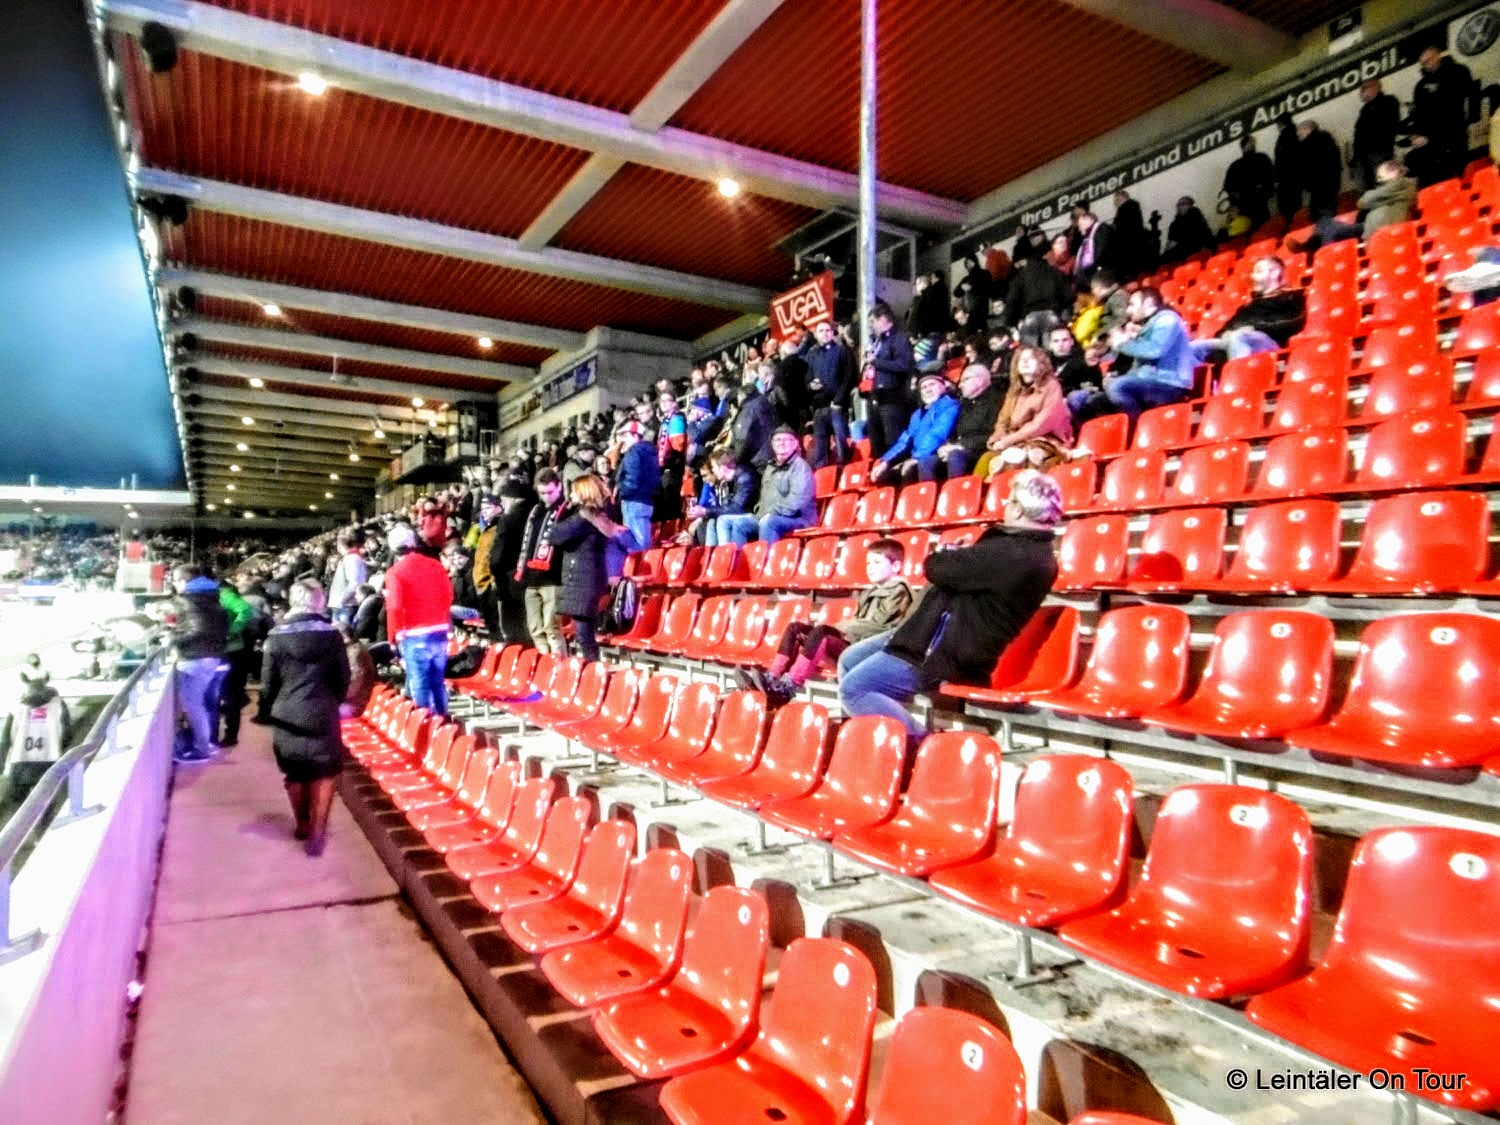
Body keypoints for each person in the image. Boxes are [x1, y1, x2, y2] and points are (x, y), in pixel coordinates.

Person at [836, 471, 1062, 748]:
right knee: (849, 659)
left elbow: (936, 567)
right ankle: (872, 735)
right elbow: (965, 573)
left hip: (941, 651)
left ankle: (925, 747)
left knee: (854, 689)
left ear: (1018, 508)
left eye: (1010, 500)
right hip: (924, 633)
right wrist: (960, 560)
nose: (1006, 506)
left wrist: (947, 553)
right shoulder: (1027, 551)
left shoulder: (1014, 553)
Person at [744, 537, 914, 705]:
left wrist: (841, 628)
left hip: (869, 653)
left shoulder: (899, 592)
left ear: (896, 566)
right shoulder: (871, 592)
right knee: (795, 628)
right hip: (856, 644)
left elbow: (878, 627)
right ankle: (772, 678)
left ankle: (788, 687)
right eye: (868, 563)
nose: (870, 567)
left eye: (877, 563)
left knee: (822, 633)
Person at [255, 580, 349, 857]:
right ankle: (318, 832)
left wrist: (269, 709)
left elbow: (267, 683)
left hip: (287, 711)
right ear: (319, 602)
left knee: (294, 772)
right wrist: (333, 701)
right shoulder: (332, 636)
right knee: (324, 772)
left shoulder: (275, 637)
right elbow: (343, 678)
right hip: (323, 709)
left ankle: (302, 824)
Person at [1075, 287, 1195, 420]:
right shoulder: (1145, 325)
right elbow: (1137, 364)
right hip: (1147, 382)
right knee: (1091, 402)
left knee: (1117, 386)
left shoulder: (1167, 318)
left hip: (1170, 383)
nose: (1128, 310)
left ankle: (1138, 425)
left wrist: (1122, 343)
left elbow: (1155, 350)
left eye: (1132, 305)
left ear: (1148, 303)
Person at [548, 474, 626, 663]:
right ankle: (592, 669)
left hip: (584, 580)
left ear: (583, 493)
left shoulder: (584, 517)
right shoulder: (596, 515)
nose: (570, 496)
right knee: (584, 634)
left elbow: (555, 535)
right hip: (588, 578)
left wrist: (563, 511)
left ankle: (594, 671)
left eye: (574, 492)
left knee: (585, 635)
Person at [384, 523, 453, 716]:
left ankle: (426, 723)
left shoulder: (395, 572)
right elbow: (448, 595)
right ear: (414, 543)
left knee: (419, 682)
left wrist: (392, 637)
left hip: (414, 633)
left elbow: (394, 607)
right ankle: (443, 719)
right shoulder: (435, 565)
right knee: (437, 681)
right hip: (439, 629)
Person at [1192, 256, 1306, 363]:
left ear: (1274, 273)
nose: (1253, 276)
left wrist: (1254, 328)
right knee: (1193, 347)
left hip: (1266, 342)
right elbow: (1226, 327)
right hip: (1233, 338)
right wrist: (1225, 333)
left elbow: (1293, 322)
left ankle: (1240, 375)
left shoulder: (1290, 296)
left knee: (1238, 337)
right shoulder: (1248, 305)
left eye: (1258, 271)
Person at [979, 346, 1073, 476]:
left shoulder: (1051, 386)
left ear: (1041, 364)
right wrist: (997, 440)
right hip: (1015, 442)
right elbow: (1003, 421)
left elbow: (1041, 425)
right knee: (986, 459)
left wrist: (1008, 440)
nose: (1025, 362)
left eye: (1031, 358)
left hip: (1044, 441)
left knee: (1027, 456)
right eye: (1021, 359)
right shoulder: (1014, 390)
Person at [170, 564, 228, 763]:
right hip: (211, 657)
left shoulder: (189, 600)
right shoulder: (211, 597)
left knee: (194, 706)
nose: (173, 584)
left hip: (195, 659)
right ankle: (206, 743)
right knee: (201, 704)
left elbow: (197, 630)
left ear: (184, 581)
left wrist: (173, 637)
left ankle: (202, 749)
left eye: (175, 580)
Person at [720, 426, 816, 545]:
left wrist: (771, 513)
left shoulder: (801, 468)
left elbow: (797, 501)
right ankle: (739, 557)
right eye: (778, 440)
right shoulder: (770, 467)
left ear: (795, 444)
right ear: (772, 444)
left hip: (798, 518)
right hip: (769, 515)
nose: (782, 443)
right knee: (740, 524)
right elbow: (765, 496)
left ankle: (766, 557)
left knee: (768, 523)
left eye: (787, 439)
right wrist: (759, 512)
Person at [1302, 160, 1417, 251]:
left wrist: (1375, 201)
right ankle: (1310, 247)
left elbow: (1363, 202)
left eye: (1380, 177)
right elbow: (1366, 202)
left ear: (1393, 172)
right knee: (1325, 221)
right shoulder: (1393, 188)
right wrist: (1378, 201)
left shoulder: (1400, 184)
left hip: (1381, 230)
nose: (1377, 180)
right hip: (1371, 225)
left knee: (1332, 230)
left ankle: (1324, 257)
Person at [872, 371, 961, 485]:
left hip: (937, 455)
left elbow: (937, 435)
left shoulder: (950, 405)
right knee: (882, 475)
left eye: (932, 384)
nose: (928, 390)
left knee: (911, 470)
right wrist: (886, 461)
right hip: (917, 456)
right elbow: (904, 441)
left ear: (943, 386)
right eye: (924, 387)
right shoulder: (917, 414)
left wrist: (916, 458)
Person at [1405, 44, 1475, 186]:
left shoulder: (1458, 71)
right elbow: (1419, 113)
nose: (1426, 65)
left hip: (1454, 130)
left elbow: (1472, 94)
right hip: (1430, 138)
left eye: (1428, 60)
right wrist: (1416, 133)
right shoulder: (1421, 85)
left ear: (1437, 56)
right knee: (1437, 175)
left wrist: (1473, 117)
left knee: (1461, 168)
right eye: (1423, 63)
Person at [516, 468, 567, 654]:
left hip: (552, 580)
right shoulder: (536, 510)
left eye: (550, 492)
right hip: (531, 578)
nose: (546, 497)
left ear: (559, 487)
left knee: (552, 630)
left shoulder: (566, 510)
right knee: (535, 630)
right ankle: (544, 664)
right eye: (542, 493)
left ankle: (558, 666)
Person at [862, 302, 916, 458]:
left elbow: (905, 365)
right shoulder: (877, 342)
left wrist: (876, 362)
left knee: (893, 442)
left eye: (872, 321)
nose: (870, 326)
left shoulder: (899, 339)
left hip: (892, 398)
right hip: (875, 397)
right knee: (876, 441)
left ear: (884, 318)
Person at [801, 320, 856, 468]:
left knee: (841, 447)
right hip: (818, 408)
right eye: (821, 331)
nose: (825, 334)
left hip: (836, 406)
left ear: (832, 333)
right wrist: (810, 386)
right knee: (820, 452)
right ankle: (823, 476)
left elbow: (849, 377)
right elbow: (807, 379)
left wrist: (838, 400)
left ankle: (844, 472)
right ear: (815, 334)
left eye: (827, 330)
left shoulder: (842, 351)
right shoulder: (811, 355)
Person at [935, 362, 1003, 479]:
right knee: (926, 462)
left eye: (964, 380)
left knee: (956, 456)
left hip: (980, 451)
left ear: (979, 381)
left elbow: (992, 435)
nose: (960, 385)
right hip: (958, 449)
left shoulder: (996, 402)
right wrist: (946, 446)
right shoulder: (964, 404)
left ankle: (957, 490)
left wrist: (961, 446)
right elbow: (954, 432)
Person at [216, 574, 257, 748]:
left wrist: (232, 631)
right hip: (229, 650)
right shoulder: (222, 594)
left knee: (229, 694)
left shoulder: (224, 595)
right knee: (229, 693)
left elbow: (245, 610)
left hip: (230, 651)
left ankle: (230, 735)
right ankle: (228, 734)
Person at [685, 449, 756, 547]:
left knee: (722, 520)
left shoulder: (744, 477)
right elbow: (724, 507)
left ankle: (726, 553)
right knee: (711, 522)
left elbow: (737, 508)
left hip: (750, 515)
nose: (713, 470)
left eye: (714, 467)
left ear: (723, 467)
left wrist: (705, 511)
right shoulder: (727, 482)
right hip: (738, 514)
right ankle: (711, 554)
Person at [613, 420, 660, 552]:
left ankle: (641, 565)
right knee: (643, 541)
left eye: (626, 435)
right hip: (646, 500)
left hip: (633, 500)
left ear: (636, 435)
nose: (623, 440)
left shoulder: (634, 451)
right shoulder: (651, 451)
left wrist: (621, 491)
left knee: (637, 545)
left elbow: (632, 479)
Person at [1352, 79, 1401, 190]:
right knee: (1364, 186)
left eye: (1363, 89)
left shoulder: (1388, 101)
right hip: (1362, 154)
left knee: (1384, 183)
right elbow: (1359, 134)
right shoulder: (1365, 109)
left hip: (1379, 151)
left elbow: (1389, 125)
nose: (1361, 93)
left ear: (1375, 88)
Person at [1222, 136, 1276, 228]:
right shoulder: (1261, 158)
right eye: (1250, 143)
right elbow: (1229, 187)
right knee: (1262, 224)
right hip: (1253, 201)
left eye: (1253, 142)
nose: (1253, 144)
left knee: (1258, 225)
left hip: (1252, 202)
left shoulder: (1235, 166)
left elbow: (1228, 187)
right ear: (1244, 146)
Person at [1298, 120, 1344, 220]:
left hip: (1318, 186)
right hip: (1331, 181)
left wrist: (1307, 184)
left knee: (1319, 214)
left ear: (1307, 129)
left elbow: (1308, 168)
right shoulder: (1327, 139)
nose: (1299, 135)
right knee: (1329, 210)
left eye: (1300, 131)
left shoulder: (1308, 145)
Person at [326, 530, 367, 627]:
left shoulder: (352, 559)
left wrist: (342, 600)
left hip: (346, 606)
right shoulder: (349, 558)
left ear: (340, 545)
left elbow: (355, 583)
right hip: (343, 606)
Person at [338, 622, 377, 721]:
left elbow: (355, 685)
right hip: (348, 703)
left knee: (317, 714)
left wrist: (334, 696)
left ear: (345, 638)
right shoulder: (349, 651)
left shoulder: (356, 654)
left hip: (353, 705)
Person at [1161, 197, 1216, 265]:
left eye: (1183, 204)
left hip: (1193, 250)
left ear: (1190, 205)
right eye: (1178, 205)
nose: (1180, 206)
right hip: (1186, 251)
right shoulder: (1174, 224)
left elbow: (1204, 236)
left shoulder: (1196, 218)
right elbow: (1171, 242)